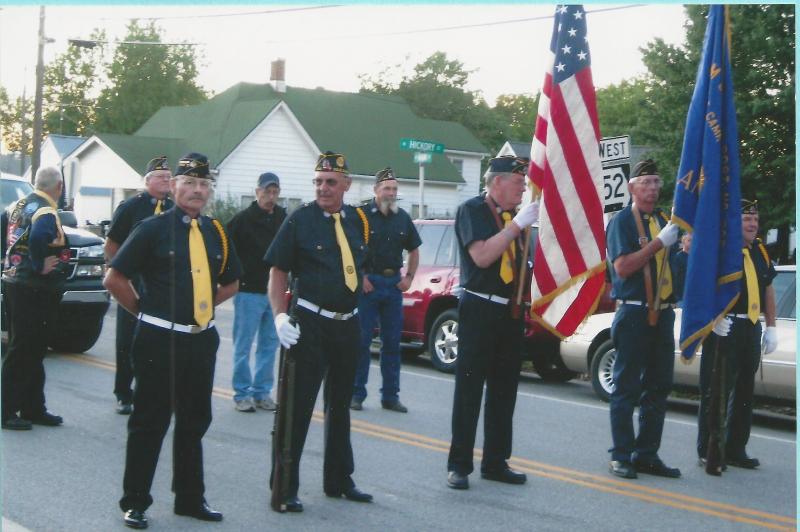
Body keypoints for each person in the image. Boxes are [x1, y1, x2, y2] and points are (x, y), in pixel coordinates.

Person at [104, 152, 242, 529]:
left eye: (203, 185)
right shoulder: (151, 228)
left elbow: (232, 281)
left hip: (200, 340)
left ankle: (190, 499)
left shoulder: (216, 231)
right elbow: (114, 278)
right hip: (158, 340)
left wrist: (199, 307)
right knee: (149, 422)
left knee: (195, 421)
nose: (197, 191)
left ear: (209, 190)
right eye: (190, 184)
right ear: (175, 186)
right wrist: (146, 313)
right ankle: (135, 501)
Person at [265, 151, 373, 512]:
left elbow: (357, 266)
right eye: (318, 182)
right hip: (310, 322)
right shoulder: (299, 221)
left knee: (340, 406)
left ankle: (339, 479)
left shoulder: (358, 220)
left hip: (347, 324)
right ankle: (284, 489)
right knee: (296, 408)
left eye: (330, 181)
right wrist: (281, 316)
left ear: (346, 184)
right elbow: (278, 271)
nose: (323, 188)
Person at [446, 155, 539, 490]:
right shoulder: (473, 210)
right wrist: (515, 226)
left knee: (504, 390)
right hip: (479, 309)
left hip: (510, 312)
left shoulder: (518, 218)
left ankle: (496, 461)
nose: (523, 189)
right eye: (518, 183)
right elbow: (483, 255)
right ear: (497, 181)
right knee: (469, 388)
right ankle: (459, 465)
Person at [605, 159, 683, 480]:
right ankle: (621, 455)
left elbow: (676, 264)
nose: (652, 187)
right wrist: (659, 244)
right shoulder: (622, 221)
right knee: (626, 387)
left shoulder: (667, 220)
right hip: (635, 311)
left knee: (658, 387)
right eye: (646, 182)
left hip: (663, 313)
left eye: (656, 181)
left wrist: (683, 248)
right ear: (632, 188)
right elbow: (622, 266)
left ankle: (647, 453)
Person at [696, 199, 777, 469]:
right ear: (734, 223)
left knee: (745, 390)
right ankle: (708, 447)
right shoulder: (722, 251)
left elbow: (767, 288)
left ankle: (735, 447)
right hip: (724, 326)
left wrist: (771, 326)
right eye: (747, 220)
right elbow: (705, 286)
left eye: (755, 220)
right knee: (716, 388)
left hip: (750, 326)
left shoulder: (760, 251)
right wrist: (713, 320)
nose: (753, 225)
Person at [105, 156, 174, 415]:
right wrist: (122, 272)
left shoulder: (174, 209)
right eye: (160, 177)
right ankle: (124, 393)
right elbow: (111, 246)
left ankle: (153, 393)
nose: (166, 181)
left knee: (158, 341)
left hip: (160, 285)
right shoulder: (131, 207)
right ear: (147, 181)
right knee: (128, 340)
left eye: (169, 177)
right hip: (132, 283)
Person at [1, 166, 69, 430]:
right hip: (34, 286)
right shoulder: (46, 210)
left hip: (16, 281)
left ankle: (33, 407)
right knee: (24, 349)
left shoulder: (19, 204)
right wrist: (40, 263)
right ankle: (6, 410)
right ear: (59, 186)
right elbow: (40, 237)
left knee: (33, 348)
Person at [350, 167, 421, 413]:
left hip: (393, 286)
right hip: (368, 285)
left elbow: (414, 249)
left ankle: (390, 396)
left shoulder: (402, 217)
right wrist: (361, 277)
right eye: (386, 188)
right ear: (376, 190)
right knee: (362, 341)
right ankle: (356, 394)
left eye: (394, 189)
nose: (391, 193)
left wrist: (409, 277)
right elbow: (349, 250)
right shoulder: (361, 216)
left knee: (392, 343)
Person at [226, 171, 286, 412]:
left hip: (274, 293)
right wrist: (233, 276)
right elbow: (226, 250)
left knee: (269, 344)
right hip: (248, 291)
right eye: (266, 191)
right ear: (257, 192)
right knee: (243, 344)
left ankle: (262, 392)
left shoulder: (283, 218)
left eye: (274, 192)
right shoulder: (242, 220)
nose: (270, 196)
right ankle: (242, 393)